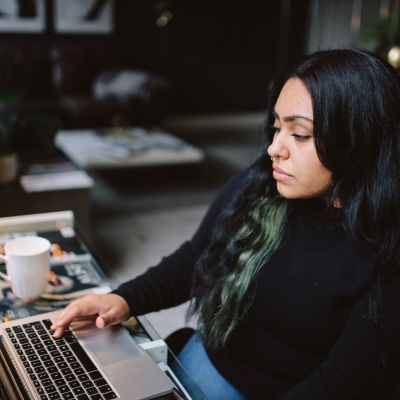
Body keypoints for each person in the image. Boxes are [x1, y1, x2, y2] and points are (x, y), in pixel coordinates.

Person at [51, 48, 400, 399]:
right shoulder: (262, 182)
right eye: (277, 127)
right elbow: (196, 257)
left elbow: (339, 386)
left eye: (300, 134)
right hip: (206, 362)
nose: (274, 149)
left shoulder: (387, 252)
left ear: (360, 139)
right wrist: (122, 299)